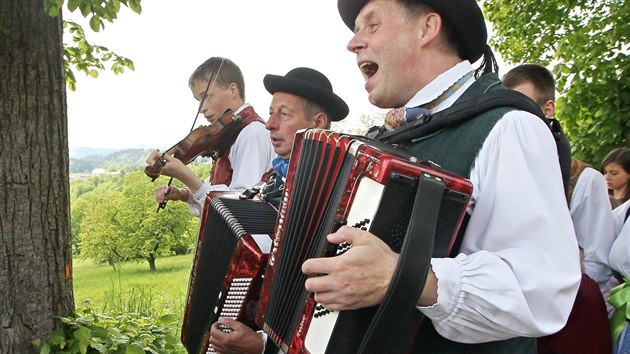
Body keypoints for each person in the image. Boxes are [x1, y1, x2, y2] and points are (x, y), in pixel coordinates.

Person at [300, 0, 582, 352]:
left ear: (427, 29)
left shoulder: (509, 126)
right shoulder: (385, 139)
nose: (353, 43)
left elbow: (542, 288)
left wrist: (405, 277)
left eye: (371, 25)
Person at [207, 67, 349, 354]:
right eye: (270, 112)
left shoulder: (343, 194)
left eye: (283, 114)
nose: (269, 124)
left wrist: (263, 346)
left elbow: (334, 318)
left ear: (318, 122)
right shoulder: (274, 183)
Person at [504, 64, 613, 353]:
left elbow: (598, 260)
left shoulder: (585, 179)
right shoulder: (504, 169)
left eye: (523, 106)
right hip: (507, 316)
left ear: (548, 109)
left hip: (568, 319)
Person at [145, 57, 275, 217]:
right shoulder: (231, 131)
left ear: (233, 90)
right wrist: (184, 195)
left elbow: (240, 208)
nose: (201, 108)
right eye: (198, 100)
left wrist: (185, 175)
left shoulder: (252, 132)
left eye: (207, 96)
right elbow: (224, 187)